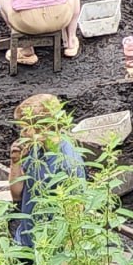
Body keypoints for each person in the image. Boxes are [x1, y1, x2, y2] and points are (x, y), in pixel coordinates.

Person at [9, 94, 86, 248]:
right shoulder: (35, 149)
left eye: (25, 128)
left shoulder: (67, 163)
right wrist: (15, 163)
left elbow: (74, 220)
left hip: (50, 251)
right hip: (26, 242)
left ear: (43, 128)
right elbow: (17, 195)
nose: (22, 134)